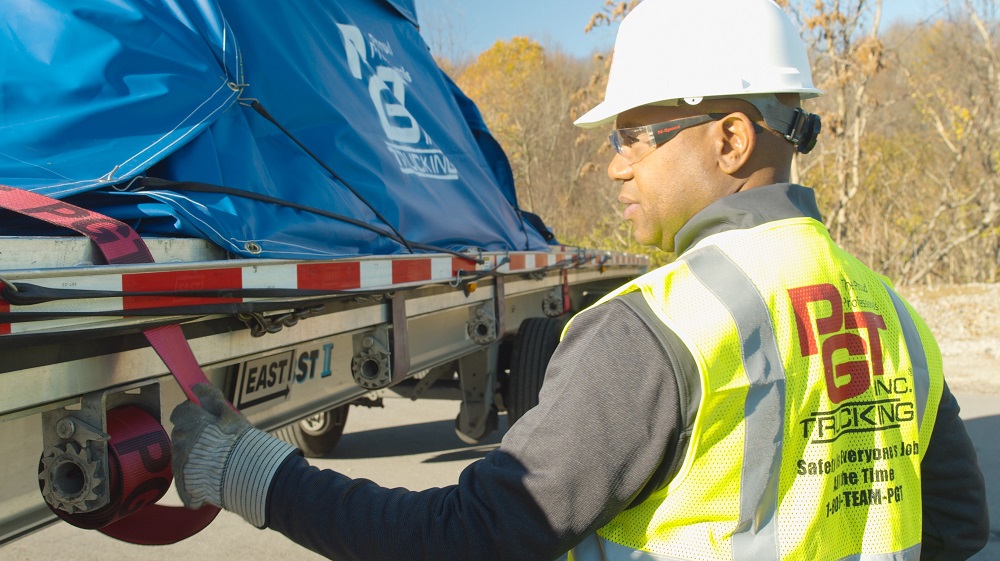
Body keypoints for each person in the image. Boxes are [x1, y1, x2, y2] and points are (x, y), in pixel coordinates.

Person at [170, 0, 990, 559]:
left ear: (732, 139)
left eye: (635, 135)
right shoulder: (893, 314)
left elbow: (468, 539)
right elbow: (955, 525)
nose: (613, 166)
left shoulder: (660, 327)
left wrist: (252, 472)